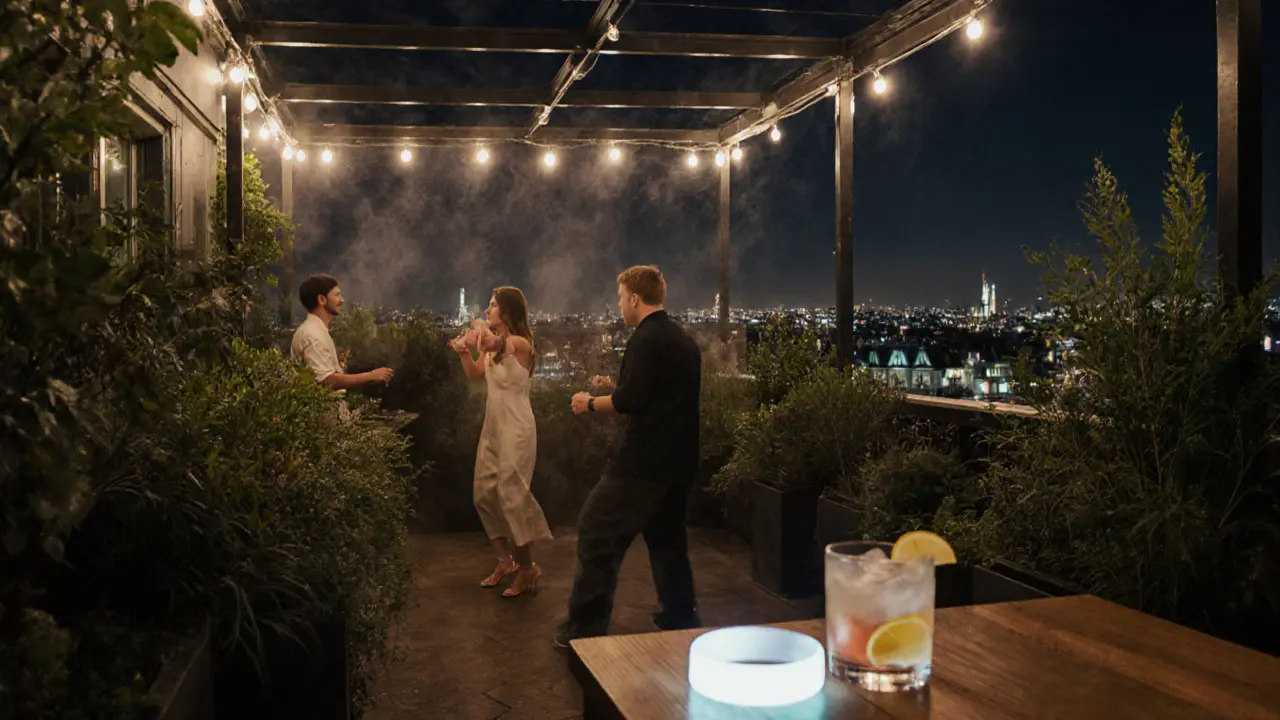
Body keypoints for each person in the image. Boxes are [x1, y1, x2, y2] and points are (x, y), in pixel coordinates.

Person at [554, 265, 701, 652]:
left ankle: (584, 629)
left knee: (596, 530)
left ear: (635, 298)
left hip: (643, 463)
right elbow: (657, 397)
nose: (619, 304)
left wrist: (588, 402)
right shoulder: (681, 340)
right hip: (678, 462)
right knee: (668, 542)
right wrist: (616, 387)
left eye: (620, 297)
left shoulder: (644, 340)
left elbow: (629, 402)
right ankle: (680, 617)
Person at [451, 286, 552, 597]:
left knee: (511, 495)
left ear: (507, 312)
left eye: (492, 306)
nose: (487, 310)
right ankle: (504, 561)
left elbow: (499, 343)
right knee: (482, 493)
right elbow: (475, 373)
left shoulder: (520, 344)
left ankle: (527, 569)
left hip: (517, 430)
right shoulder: (495, 346)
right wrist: (464, 352)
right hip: (493, 428)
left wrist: (480, 334)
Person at [290, 273, 394, 390]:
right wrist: (370, 376)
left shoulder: (317, 331)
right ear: (322, 299)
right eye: (337, 295)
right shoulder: (313, 335)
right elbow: (325, 380)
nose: (342, 300)